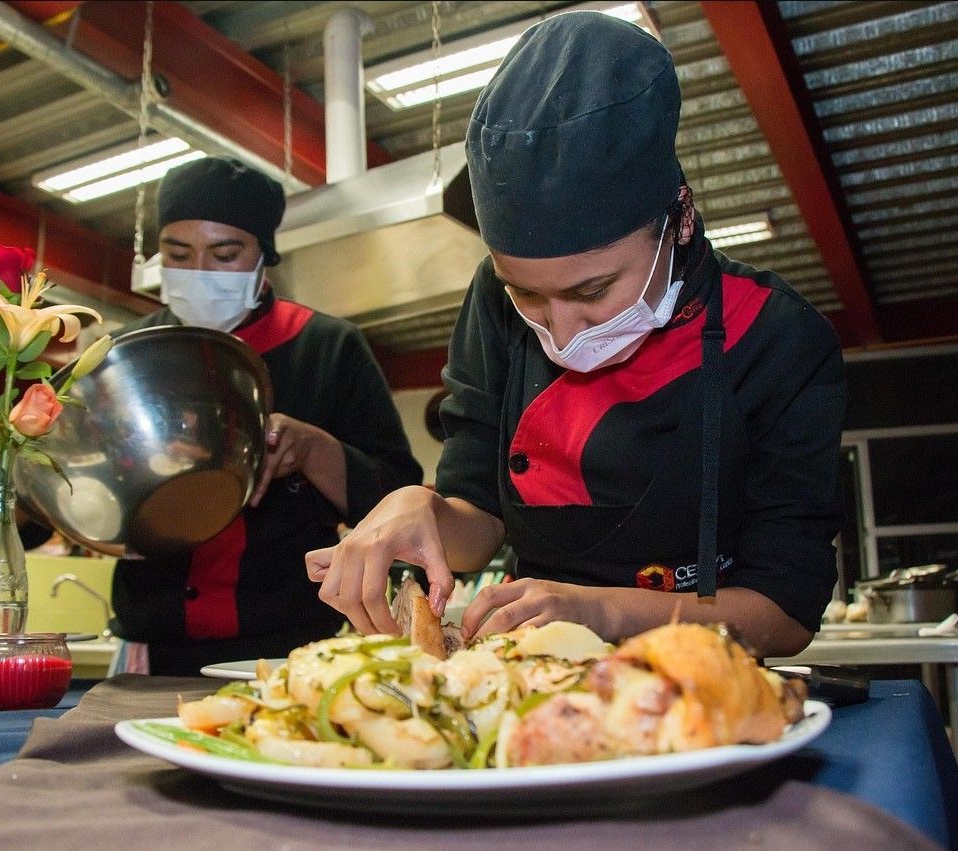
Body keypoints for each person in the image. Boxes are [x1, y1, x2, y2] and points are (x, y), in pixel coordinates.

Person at [306, 12, 844, 659]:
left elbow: (784, 613)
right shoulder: (491, 303)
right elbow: (478, 514)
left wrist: (595, 608)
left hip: (701, 687)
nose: (559, 329)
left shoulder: (778, 337)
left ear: (680, 218)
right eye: (527, 292)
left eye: (592, 290)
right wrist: (421, 509)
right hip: (533, 675)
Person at [110, 156, 424, 674]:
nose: (200, 274)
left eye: (225, 254)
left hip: (292, 647)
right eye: (178, 254)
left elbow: (395, 494)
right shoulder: (129, 354)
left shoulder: (325, 347)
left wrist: (313, 450)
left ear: (264, 257)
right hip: (154, 646)